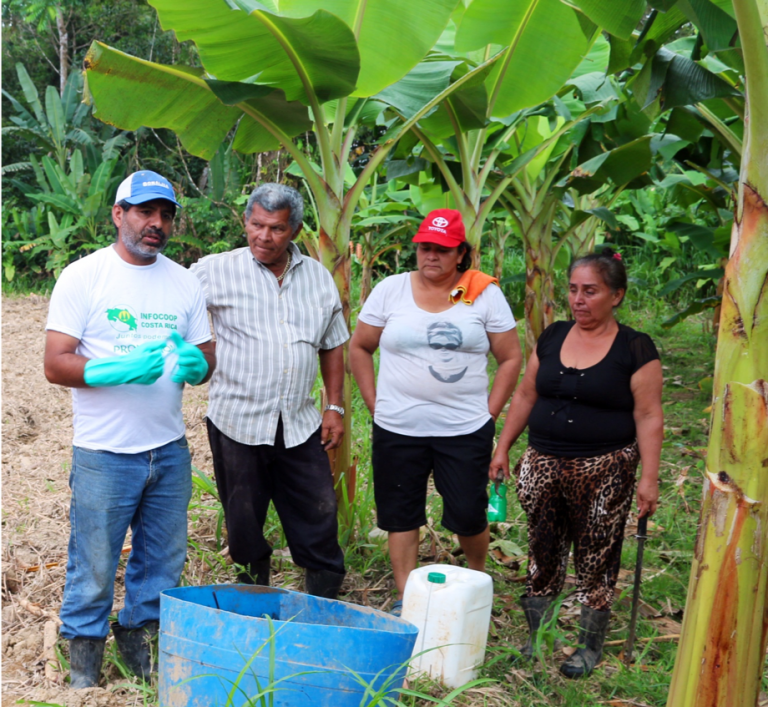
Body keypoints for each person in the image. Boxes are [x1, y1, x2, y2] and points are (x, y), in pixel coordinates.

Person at [44, 170, 216, 688]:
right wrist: (104, 370)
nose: (156, 224)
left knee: (161, 560)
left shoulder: (184, 281)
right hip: (103, 452)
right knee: (94, 566)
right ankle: (83, 668)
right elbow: (55, 363)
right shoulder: (84, 276)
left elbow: (206, 357)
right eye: (144, 212)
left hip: (167, 450)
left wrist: (196, 364)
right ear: (119, 214)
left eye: (165, 215)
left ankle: (141, 650)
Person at [489, 247, 663, 678]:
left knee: (596, 554)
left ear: (616, 295)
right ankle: (538, 636)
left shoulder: (635, 347)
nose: (579, 300)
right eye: (573, 290)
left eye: (591, 291)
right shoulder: (552, 336)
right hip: (543, 461)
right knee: (542, 549)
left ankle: (588, 646)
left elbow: (648, 414)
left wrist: (650, 477)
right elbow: (527, 393)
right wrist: (503, 447)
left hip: (605, 466)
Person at [350, 208, 523, 615]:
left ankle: (477, 581)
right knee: (400, 513)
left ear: (461, 253)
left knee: (467, 512)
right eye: (425, 247)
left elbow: (511, 358)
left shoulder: (484, 294)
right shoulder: (390, 290)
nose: (432, 256)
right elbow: (360, 347)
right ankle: (405, 596)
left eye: (443, 250)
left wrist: (490, 413)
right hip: (398, 427)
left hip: (463, 428)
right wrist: (375, 403)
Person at [190, 183, 348, 599]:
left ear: (294, 230)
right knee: (243, 522)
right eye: (256, 225)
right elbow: (176, 311)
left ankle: (322, 605)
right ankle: (253, 605)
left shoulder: (317, 278)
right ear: (245, 222)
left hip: (299, 422)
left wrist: (335, 406)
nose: (264, 237)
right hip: (236, 422)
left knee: (319, 514)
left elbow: (332, 344)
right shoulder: (212, 270)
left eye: (276, 229)